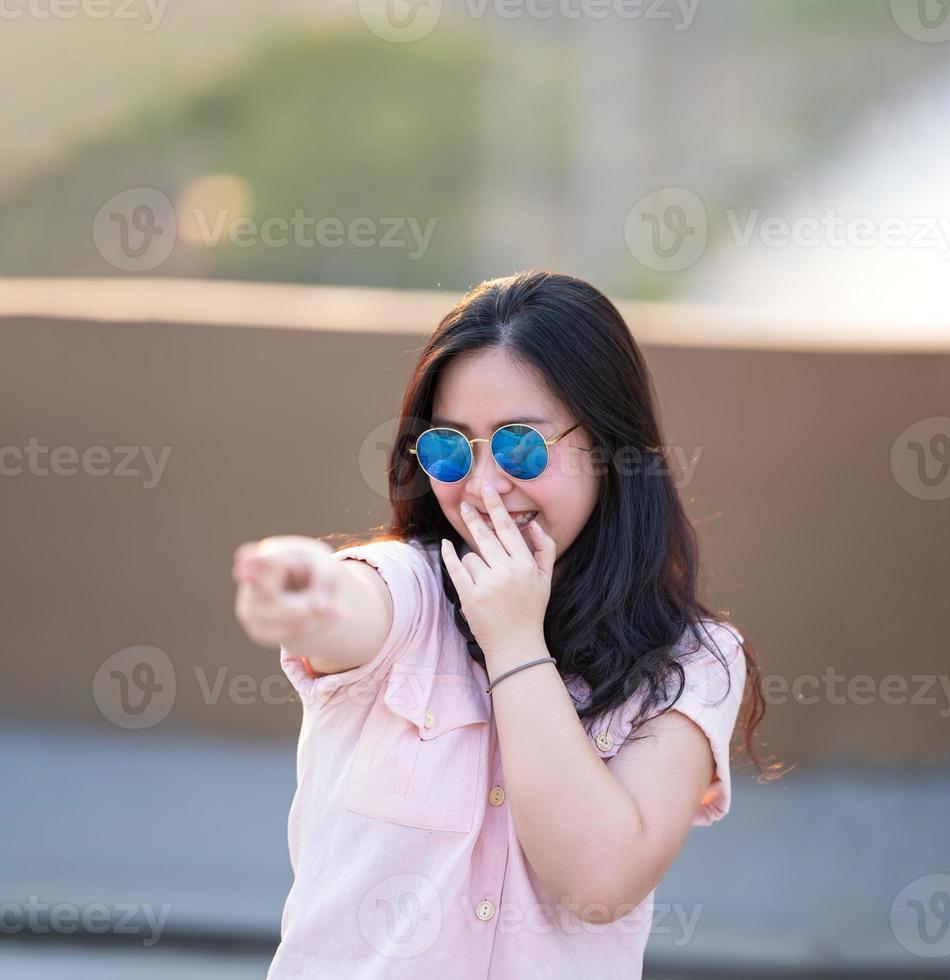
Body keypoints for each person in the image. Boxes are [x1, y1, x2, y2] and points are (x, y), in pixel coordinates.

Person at [232, 270, 777, 979]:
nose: (484, 487)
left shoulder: (697, 662)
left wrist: (516, 645)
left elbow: (598, 883)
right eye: (451, 450)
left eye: (521, 445)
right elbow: (347, 600)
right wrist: (299, 586)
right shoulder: (411, 588)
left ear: (610, 446)